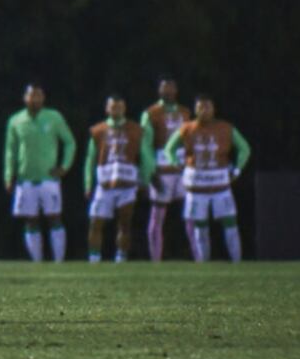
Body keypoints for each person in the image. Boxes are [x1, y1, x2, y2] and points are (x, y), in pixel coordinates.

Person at [164, 94, 252, 262]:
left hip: (220, 185)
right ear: (195, 109)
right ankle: (203, 265)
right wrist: (175, 163)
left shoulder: (225, 128)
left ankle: (237, 263)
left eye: (207, 107)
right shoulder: (187, 128)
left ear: (213, 109)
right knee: (200, 226)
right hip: (196, 186)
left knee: (230, 223)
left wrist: (237, 170)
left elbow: (244, 148)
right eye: (200, 107)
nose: (204, 111)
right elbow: (169, 148)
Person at [4, 82, 77, 262]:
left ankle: (58, 261)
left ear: (43, 98)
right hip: (25, 179)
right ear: (25, 98)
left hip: (49, 178)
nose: (34, 99)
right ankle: (37, 261)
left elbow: (69, 142)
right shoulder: (16, 120)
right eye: (31, 95)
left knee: (54, 217)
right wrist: (9, 175)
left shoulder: (53, 117)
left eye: (38, 95)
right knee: (31, 219)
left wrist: (64, 166)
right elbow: (10, 150)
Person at [84, 95, 154, 263]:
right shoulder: (98, 130)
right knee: (96, 222)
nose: (116, 110)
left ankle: (121, 258)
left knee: (124, 223)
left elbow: (146, 157)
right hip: (104, 184)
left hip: (127, 184)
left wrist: (145, 180)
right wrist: (88, 183)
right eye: (113, 107)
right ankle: (94, 258)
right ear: (107, 109)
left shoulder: (135, 130)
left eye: (119, 107)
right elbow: (90, 159)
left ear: (124, 109)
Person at [139, 76, 192, 261]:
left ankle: (200, 259)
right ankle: (156, 261)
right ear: (159, 91)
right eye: (164, 89)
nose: (168, 92)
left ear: (176, 90)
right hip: (162, 171)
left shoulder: (185, 112)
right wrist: (150, 173)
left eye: (171, 88)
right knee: (157, 216)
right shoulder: (151, 113)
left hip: (183, 170)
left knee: (191, 214)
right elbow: (145, 146)